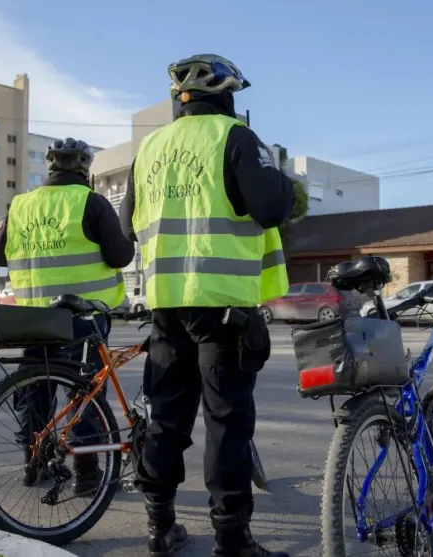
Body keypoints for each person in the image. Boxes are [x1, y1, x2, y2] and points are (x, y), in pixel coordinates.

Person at [118, 54, 295, 557]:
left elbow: (130, 227)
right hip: (223, 309)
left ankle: (160, 527)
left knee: (165, 419)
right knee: (227, 424)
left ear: (180, 99)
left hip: (167, 306)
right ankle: (232, 541)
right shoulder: (235, 137)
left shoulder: (148, 148)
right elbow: (272, 207)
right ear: (229, 95)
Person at [0, 137, 134, 494]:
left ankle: (33, 466)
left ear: (51, 166)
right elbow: (120, 257)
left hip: (32, 319)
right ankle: (87, 477)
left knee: (35, 391)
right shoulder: (91, 202)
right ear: (86, 169)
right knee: (84, 395)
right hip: (81, 319)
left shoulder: (21, 205)